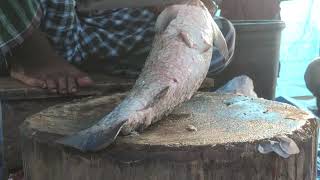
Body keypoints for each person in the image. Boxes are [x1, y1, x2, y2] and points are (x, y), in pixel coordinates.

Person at [0, 0, 235, 94]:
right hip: (44, 20)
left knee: (217, 35)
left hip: (112, 26)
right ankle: (28, 53)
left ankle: (104, 61)